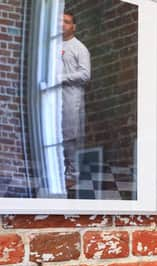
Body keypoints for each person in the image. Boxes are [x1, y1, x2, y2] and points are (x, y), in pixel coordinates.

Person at [60, 11, 91, 187]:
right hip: (54, 94)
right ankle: (60, 170)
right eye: (60, 21)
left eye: (66, 22)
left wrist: (61, 77)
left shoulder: (79, 48)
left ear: (74, 26)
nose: (62, 24)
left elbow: (86, 75)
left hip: (72, 95)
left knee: (71, 133)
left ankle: (74, 173)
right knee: (56, 132)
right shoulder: (53, 46)